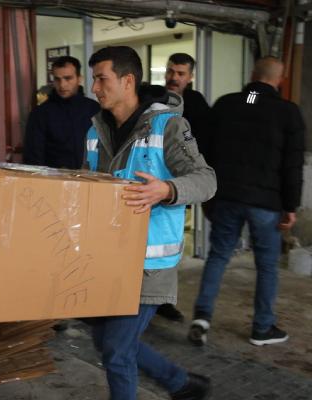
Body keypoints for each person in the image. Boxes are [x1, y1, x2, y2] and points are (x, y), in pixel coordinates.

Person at [84, 46, 216, 400]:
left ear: (127, 81)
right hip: (107, 260)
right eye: (93, 79)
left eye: (101, 79)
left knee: (116, 351)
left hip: (148, 264)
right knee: (105, 340)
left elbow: (206, 180)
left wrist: (167, 189)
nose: (94, 88)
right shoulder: (95, 131)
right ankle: (181, 384)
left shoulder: (168, 125)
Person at [188, 56, 305, 347]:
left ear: (253, 74)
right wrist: (291, 207)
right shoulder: (287, 112)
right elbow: (292, 166)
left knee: (218, 257)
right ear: (280, 80)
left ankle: (202, 318)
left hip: (227, 196)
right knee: (266, 266)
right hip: (266, 202)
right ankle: (262, 328)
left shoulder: (231, 103)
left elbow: (207, 149)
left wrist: (208, 193)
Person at [156, 53, 212, 323]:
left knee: (170, 247)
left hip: (179, 186)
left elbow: (204, 144)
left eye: (180, 73)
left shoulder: (198, 104)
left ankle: (164, 301)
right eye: (171, 71)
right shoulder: (153, 97)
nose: (174, 77)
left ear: (190, 77)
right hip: (151, 181)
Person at [23, 56, 100, 169]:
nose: (62, 85)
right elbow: (33, 159)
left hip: (92, 178)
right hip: (53, 182)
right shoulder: (40, 114)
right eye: (57, 79)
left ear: (79, 78)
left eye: (68, 78)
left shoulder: (94, 109)